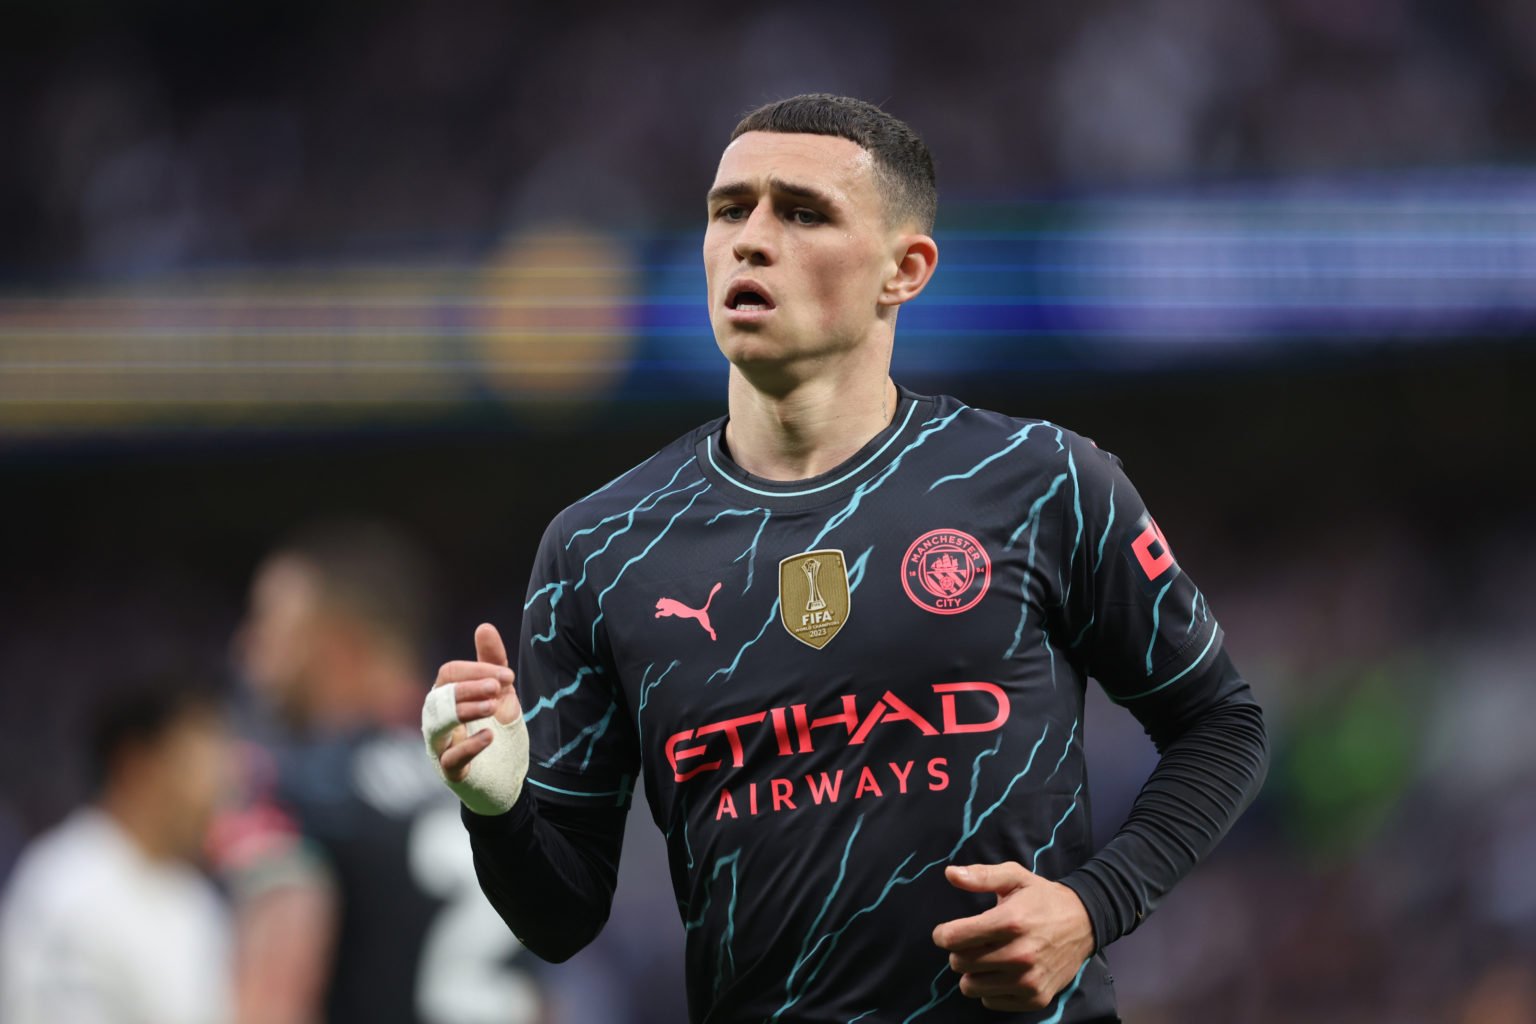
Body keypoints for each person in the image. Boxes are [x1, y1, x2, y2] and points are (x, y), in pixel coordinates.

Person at [424, 94, 1270, 1023]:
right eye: (727, 209)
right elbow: (561, 918)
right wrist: (496, 807)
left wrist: (1088, 906)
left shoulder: (1038, 480)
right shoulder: (601, 549)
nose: (749, 240)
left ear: (903, 270)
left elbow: (1222, 727)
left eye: (802, 212)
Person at [222, 522, 546, 1024]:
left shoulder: (304, 791)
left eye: (270, 623)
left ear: (337, 643)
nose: (247, 648)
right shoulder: (499, 777)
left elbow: (273, 1002)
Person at [0, 680, 234, 1024]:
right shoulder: (68, 886)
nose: (218, 789)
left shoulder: (195, 898)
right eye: (198, 764)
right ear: (137, 765)